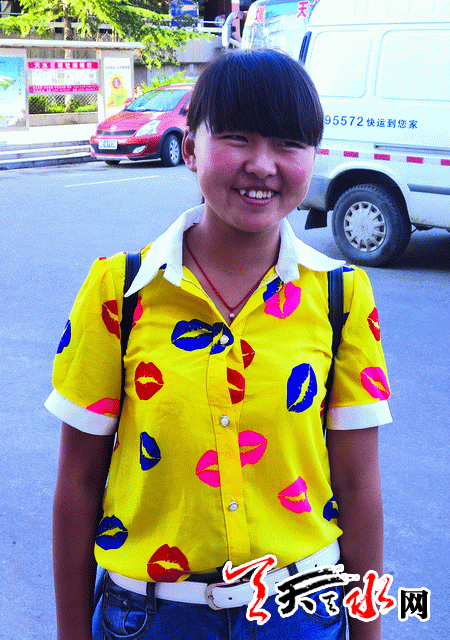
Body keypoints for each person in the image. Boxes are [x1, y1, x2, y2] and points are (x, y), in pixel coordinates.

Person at [46, 49, 392, 640]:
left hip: (301, 616)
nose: (262, 165)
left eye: (288, 144)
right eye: (237, 138)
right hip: (148, 620)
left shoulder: (342, 296)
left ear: (312, 157)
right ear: (190, 149)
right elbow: (78, 482)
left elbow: (358, 487)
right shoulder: (118, 292)